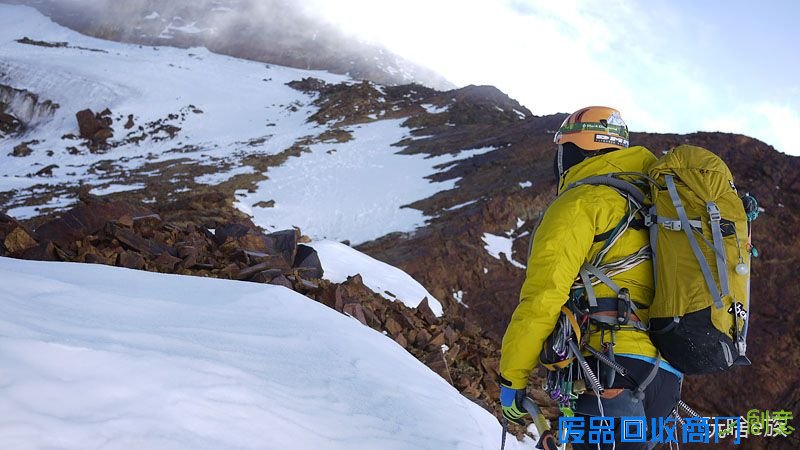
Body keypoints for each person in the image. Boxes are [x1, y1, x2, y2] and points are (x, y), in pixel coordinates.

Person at [498, 106, 682, 449]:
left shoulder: (582, 202)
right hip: (665, 380)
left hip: (609, 371)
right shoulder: (657, 206)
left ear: (576, 150)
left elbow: (543, 299)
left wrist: (512, 379)